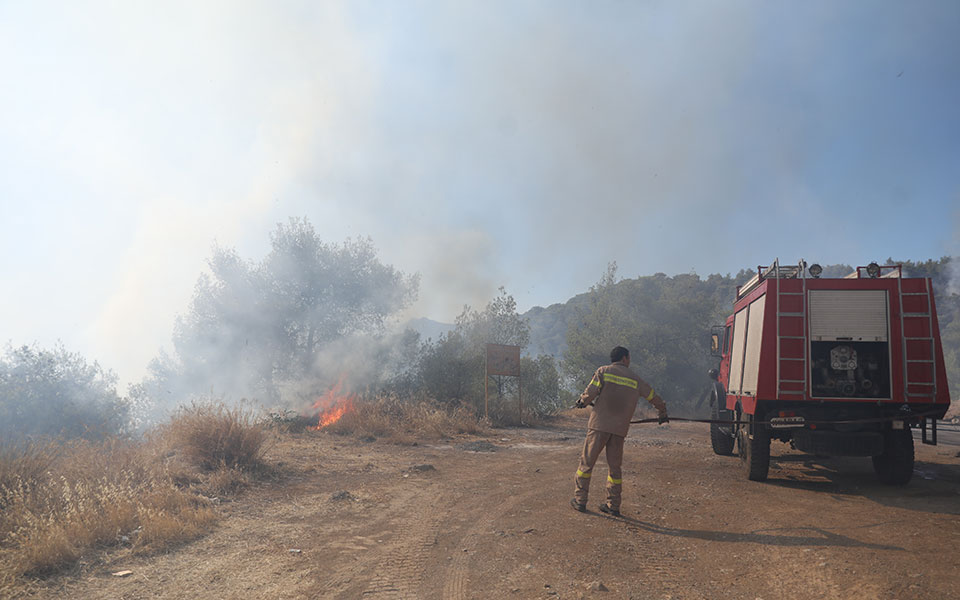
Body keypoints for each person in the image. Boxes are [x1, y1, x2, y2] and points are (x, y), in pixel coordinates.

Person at [571, 346, 668, 516]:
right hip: (619, 429)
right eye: (629, 358)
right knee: (614, 468)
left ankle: (580, 501)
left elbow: (591, 392)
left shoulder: (603, 371)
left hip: (598, 426)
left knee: (586, 464)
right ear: (624, 358)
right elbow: (653, 395)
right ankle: (613, 505)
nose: (629, 361)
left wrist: (582, 402)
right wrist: (662, 412)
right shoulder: (636, 379)